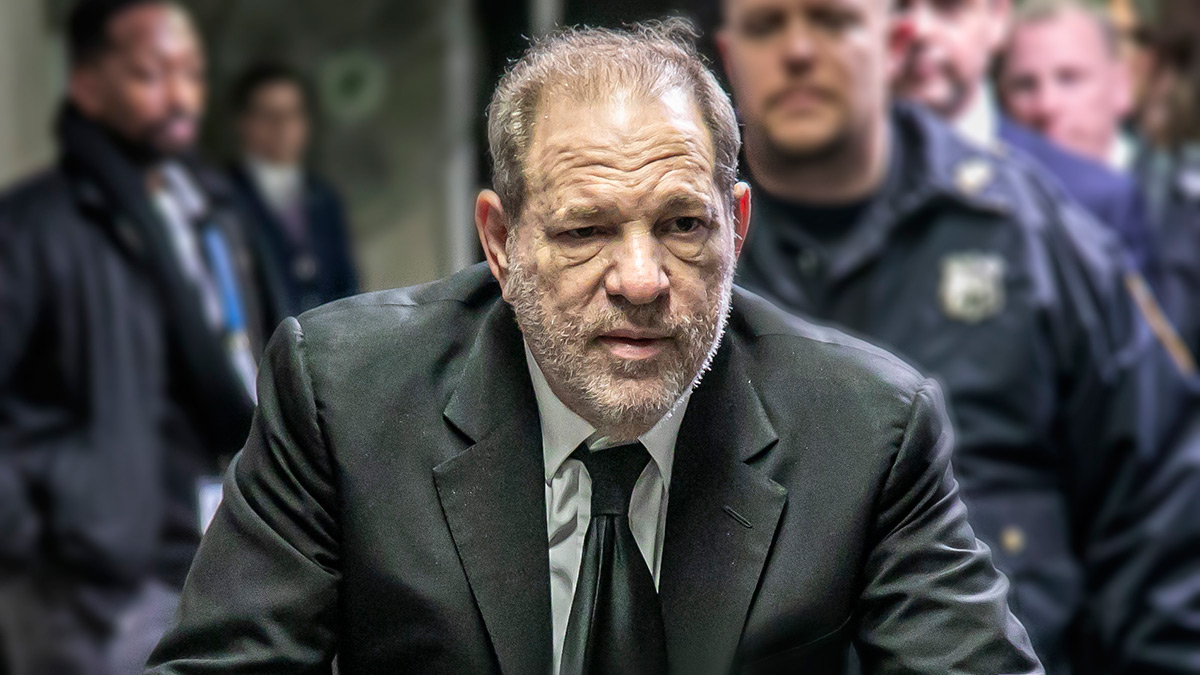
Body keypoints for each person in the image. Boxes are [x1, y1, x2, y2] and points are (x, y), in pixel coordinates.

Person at [146, 19, 1043, 675]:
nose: (643, 281)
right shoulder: (343, 396)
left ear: (736, 227)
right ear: (501, 243)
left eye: (683, 225)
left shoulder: (867, 426)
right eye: (584, 231)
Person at [719, 0, 1200, 673]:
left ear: (896, 44)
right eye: (766, 26)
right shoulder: (680, 251)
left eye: (832, 21)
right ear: (730, 55)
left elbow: (1161, 510)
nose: (798, 52)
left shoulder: (1028, 235)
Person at [0, 1, 282, 673]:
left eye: (192, 73)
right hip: (90, 588)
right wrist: (41, 533)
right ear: (87, 85)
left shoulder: (213, 215)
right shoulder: (32, 230)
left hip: (217, 558)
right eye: (150, 74)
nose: (180, 96)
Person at [890, 0, 1156, 276]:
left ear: (996, 16)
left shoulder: (1087, 196)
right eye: (897, 7)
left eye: (949, 6)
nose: (919, 29)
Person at [228, 63, 358, 316]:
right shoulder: (226, 197)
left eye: (292, 113)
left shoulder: (325, 197)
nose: (283, 126)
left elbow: (347, 285)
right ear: (243, 123)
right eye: (269, 115)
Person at [997, 0, 1137, 172]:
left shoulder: (1161, 182)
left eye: (1069, 79)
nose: (1047, 105)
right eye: (1025, 85)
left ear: (1120, 86)